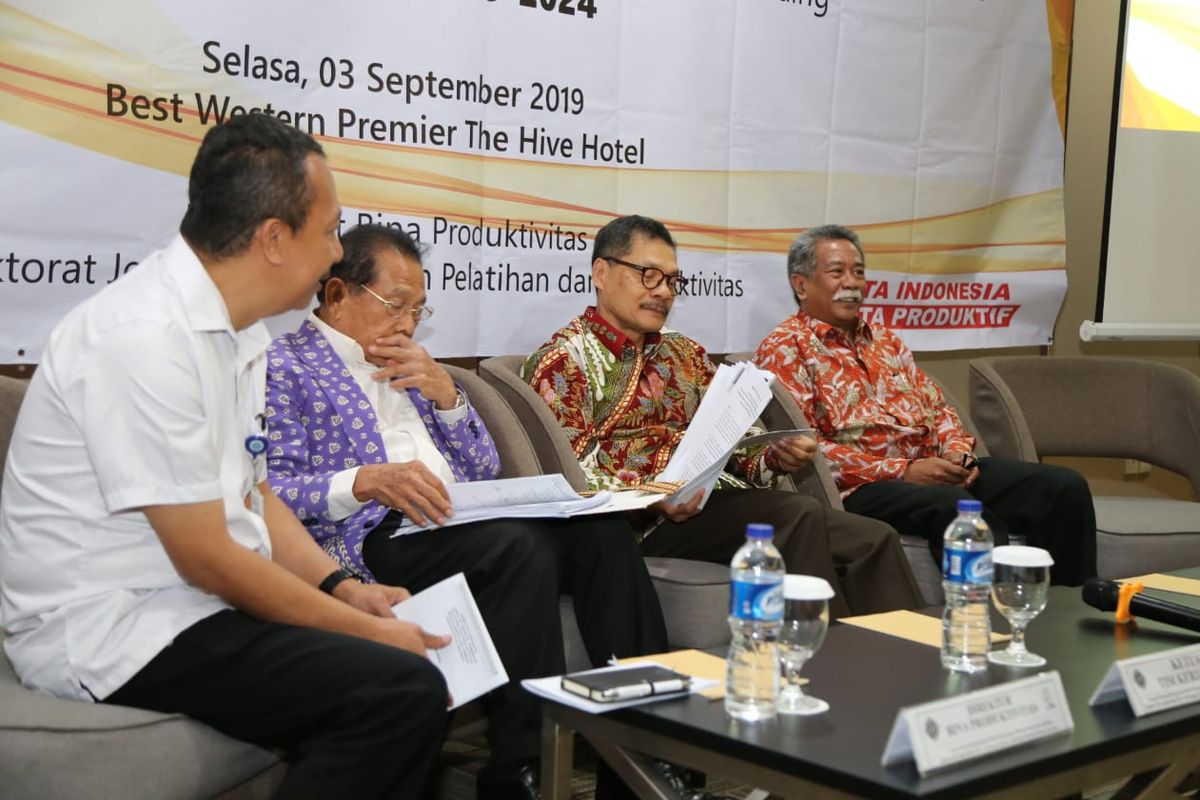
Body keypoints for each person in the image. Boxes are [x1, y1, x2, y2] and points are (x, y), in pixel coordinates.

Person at [0, 115, 451, 799]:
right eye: (330, 231)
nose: (336, 255)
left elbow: (255, 495)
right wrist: (362, 630)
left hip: (186, 606)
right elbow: (206, 555)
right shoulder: (142, 336)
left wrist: (343, 588)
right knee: (394, 689)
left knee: (394, 673)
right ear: (274, 238)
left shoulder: (238, 336)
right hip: (114, 626)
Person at [265, 223, 670, 800]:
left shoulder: (411, 366)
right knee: (515, 549)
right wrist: (363, 481)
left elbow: (483, 469)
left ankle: (647, 753)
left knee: (601, 532)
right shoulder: (285, 366)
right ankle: (521, 767)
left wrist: (447, 398)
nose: (407, 323)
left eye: (418, 309)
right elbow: (271, 488)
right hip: (371, 535)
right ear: (337, 295)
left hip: (457, 518)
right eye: (395, 305)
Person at [523, 215, 924, 619]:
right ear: (601, 273)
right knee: (795, 515)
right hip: (642, 525)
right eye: (649, 275)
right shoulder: (562, 362)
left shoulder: (684, 353)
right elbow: (568, 472)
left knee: (873, 538)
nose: (663, 292)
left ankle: (908, 662)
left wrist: (775, 456)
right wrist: (654, 496)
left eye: (671, 280)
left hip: (720, 499)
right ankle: (820, 666)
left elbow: (738, 437)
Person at [753, 223, 1097, 585]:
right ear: (801, 284)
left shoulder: (885, 341)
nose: (851, 283)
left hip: (932, 468)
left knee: (1062, 487)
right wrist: (903, 471)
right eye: (837, 272)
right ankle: (982, 626)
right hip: (866, 487)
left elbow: (938, 408)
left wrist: (957, 452)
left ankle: (1067, 616)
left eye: (858, 272)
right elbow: (806, 446)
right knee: (961, 513)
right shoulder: (785, 347)